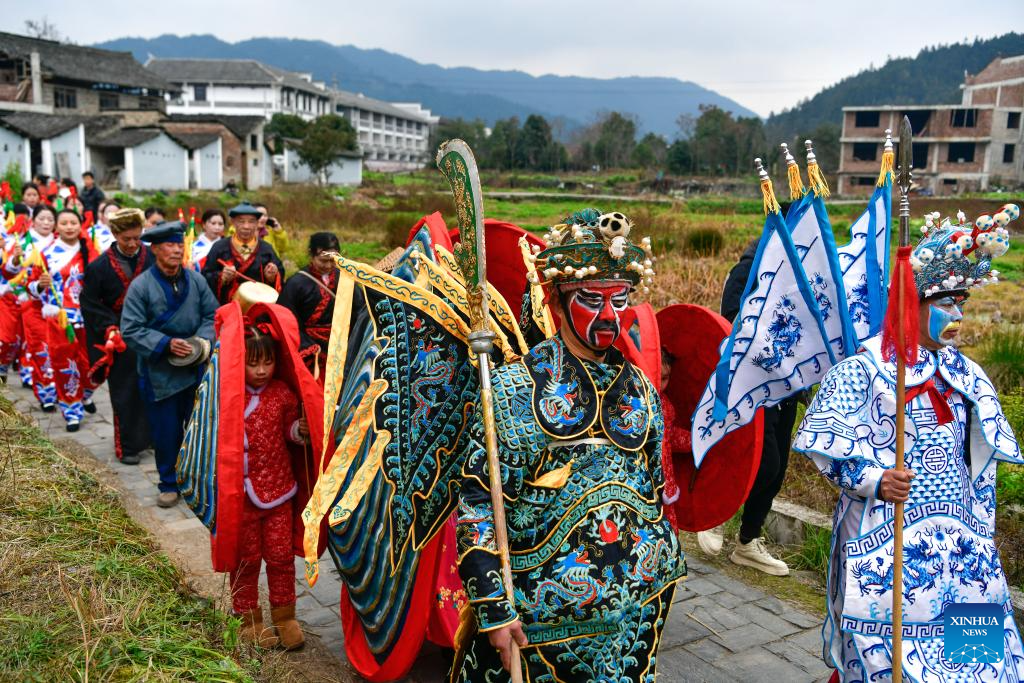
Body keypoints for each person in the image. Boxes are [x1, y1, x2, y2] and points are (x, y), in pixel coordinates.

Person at [453, 209, 684, 681]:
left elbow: (655, 492)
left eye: (619, 300)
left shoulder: (639, 386)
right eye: (590, 299)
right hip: (540, 624)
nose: (608, 316)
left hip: (633, 617)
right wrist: (494, 608)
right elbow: (477, 504)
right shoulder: (514, 387)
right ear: (557, 301)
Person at [794, 206, 1024, 682]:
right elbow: (823, 442)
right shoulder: (868, 368)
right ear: (911, 303)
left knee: (978, 659)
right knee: (883, 656)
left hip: (965, 546)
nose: (957, 316)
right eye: (945, 303)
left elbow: (982, 462)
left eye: (962, 302)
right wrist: (875, 478)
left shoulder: (968, 374)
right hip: (886, 536)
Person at [705, 236, 794, 574]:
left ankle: (747, 542)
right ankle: (713, 516)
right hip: (751, 382)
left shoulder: (800, 274)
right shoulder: (749, 269)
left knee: (777, 470)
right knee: (761, 462)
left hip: (786, 387)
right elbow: (730, 322)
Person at [121, 221, 218, 507]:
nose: (177, 250)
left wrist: (201, 341)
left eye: (179, 244)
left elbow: (212, 315)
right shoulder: (141, 286)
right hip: (159, 373)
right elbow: (130, 329)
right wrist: (165, 344)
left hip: (196, 366)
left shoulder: (196, 280)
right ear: (155, 250)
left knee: (200, 428)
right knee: (166, 431)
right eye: (170, 245)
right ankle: (168, 482)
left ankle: (199, 481)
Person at [228, 324, 309, 650]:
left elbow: (289, 433)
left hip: (279, 490)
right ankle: (247, 619)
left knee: (279, 558)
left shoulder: (282, 394)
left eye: (268, 362)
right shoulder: (228, 395)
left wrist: (299, 430)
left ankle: (285, 616)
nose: (261, 371)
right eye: (252, 363)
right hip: (241, 495)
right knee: (245, 560)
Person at [81, 208, 154, 463]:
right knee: (125, 390)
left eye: (137, 237)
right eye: (127, 239)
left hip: (149, 332)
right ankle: (129, 446)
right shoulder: (99, 267)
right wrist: (110, 327)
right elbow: (90, 304)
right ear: (114, 234)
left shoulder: (152, 258)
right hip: (120, 337)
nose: (133, 244)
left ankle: (152, 438)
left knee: (152, 387)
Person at [34, 209, 98, 430]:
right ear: (56, 227)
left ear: (80, 225)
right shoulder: (47, 253)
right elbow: (31, 286)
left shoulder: (90, 251)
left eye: (73, 222)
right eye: (64, 223)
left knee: (95, 363)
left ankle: (85, 393)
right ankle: (72, 411)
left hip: (88, 317)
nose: (69, 226)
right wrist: (40, 284)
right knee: (65, 364)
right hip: (60, 319)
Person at [5, 205, 57, 408]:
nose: (46, 223)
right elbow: (9, 272)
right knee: (39, 348)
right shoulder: (24, 241)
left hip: (57, 307)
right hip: (32, 303)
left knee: (58, 350)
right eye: (42, 218)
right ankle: (46, 395)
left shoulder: (59, 243)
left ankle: (63, 390)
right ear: (33, 220)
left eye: (50, 219)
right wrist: (16, 258)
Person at [277, 232, 339, 377]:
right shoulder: (296, 283)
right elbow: (287, 318)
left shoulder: (344, 279)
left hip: (339, 345)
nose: (329, 265)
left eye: (333, 260)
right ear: (311, 255)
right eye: (323, 260)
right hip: (309, 345)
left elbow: (358, 312)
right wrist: (307, 346)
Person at [201, 202, 283, 305]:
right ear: (233, 222)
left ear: (257, 223)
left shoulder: (266, 250)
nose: (246, 226)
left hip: (258, 309)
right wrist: (221, 277)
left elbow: (280, 273)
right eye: (241, 221)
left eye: (251, 222)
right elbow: (205, 276)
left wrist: (272, 277)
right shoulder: (219, 247)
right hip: (227, 308)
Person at [659, 349, 690, 531]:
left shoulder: (666, 405)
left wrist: (696, 441)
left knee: (668, 530)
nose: (662, 384)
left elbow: (670, 436)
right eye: (658, 377)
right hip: (641, 480)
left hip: (665, 479)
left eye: (666, 378)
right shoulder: (634, 401)